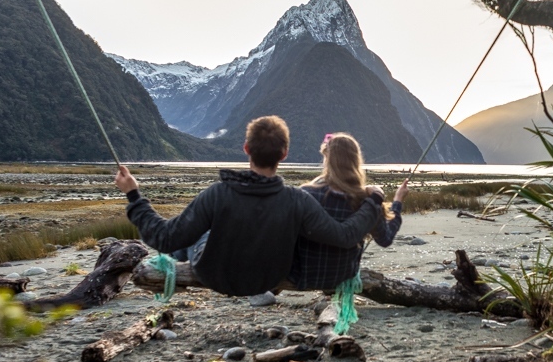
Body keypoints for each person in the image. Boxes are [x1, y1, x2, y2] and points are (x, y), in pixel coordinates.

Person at [114, 116, 383, 297]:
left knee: (194, 236)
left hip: (215, 276)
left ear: (246, 149)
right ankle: (184, 250)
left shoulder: (218, 194)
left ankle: (180, 254)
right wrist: (373, 201)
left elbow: (163, 237)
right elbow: (344, 236)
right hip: (268, 279)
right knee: (201, 234)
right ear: (284, 154)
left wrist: (134, 196)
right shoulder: (297, 200)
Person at [288, 132, 410, 291]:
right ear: (355, 161)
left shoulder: (305, 194)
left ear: (327, 159)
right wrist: (398, 201)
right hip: (342, 276)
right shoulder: (367, 201)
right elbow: (385, 239)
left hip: (303, 277)